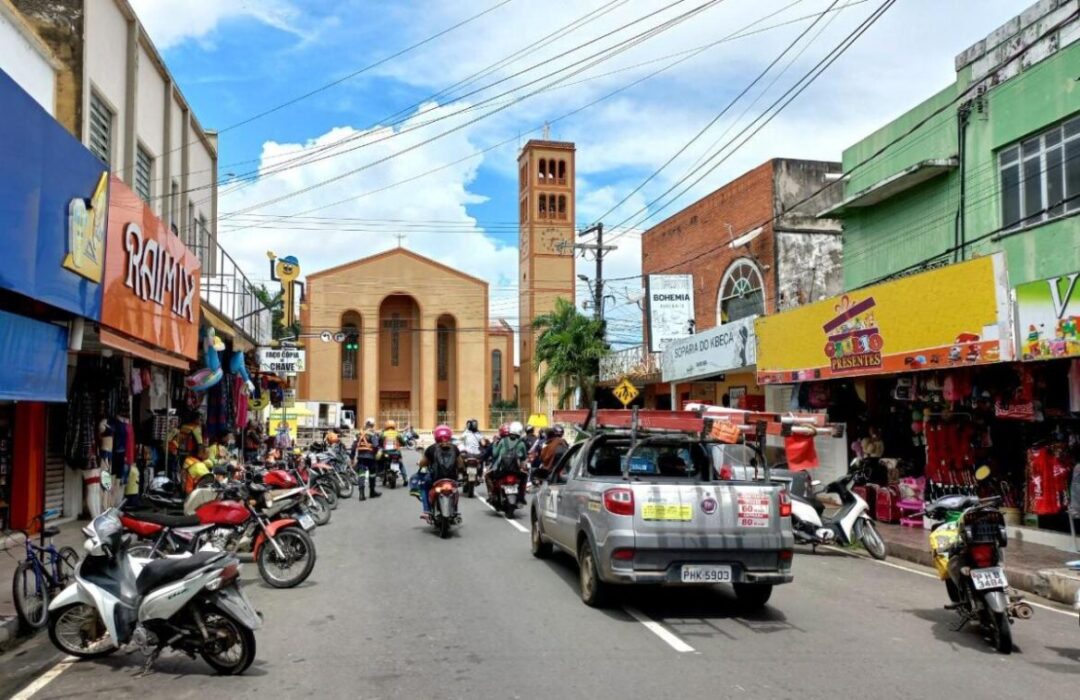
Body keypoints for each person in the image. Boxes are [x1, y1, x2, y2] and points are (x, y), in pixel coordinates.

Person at [417, 425, 461, 518]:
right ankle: (455, 510)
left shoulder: (431, 448)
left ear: (436, 436)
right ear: (449, 435)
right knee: (455, 490)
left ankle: (426, 510)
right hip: (452, 478)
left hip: (435, 477)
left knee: (424, 486)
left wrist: (420, 463)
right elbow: (460, 464)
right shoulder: (455, 448)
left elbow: (423, 463)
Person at [489, 421, 528, 505]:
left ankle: (492, 495)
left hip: (501, 469)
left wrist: (494, 444)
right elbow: (524, 457)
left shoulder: (503, 441)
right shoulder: (521, 444)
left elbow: (495, 454)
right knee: (525, 476)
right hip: (516, 470)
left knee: (488, 476)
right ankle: (522, 497)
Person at [353, 418, 381, 500]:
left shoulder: (358, 433)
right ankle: (372, 492)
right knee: (372, 474)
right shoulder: (373, 433)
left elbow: (354, 446)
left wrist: (352, 457)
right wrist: (375, 455)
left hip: (361, 457)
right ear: (372, 425)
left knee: (361, 475)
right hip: (371, 457)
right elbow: (376, 446)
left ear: (365, 424)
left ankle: (361, 495)